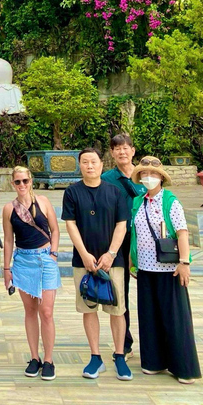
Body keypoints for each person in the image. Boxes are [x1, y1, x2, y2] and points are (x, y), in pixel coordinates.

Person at [62, 147, 132, 380]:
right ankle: (95, 357)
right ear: (79, 165)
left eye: (93, 161)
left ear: (102, 165)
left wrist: (111, 253)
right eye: (85, 162)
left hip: (114, 260)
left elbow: (121, 224)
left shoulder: (115, 192)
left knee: (117, 309)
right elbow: (70, 224)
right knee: (88, 308)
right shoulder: (72, 192)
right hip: (84, 260)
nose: (89, 166)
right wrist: (83, 254)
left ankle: (120, 355)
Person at [130, 156, 201, 384]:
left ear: (161, 177)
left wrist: (184, 262)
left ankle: (183, 367)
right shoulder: (138, 201)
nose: (148, 177)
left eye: (152, 174)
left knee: (175, 317)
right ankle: (154, 361)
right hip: (145, 268)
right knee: (149, 315)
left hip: (169, 268)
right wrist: (133, 261)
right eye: (143, 174)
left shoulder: (170, 201)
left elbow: (182, 233)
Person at [2, 166, 61, 381]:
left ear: (31, 181)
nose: (22, 185)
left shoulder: (43, 202)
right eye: (17, 182)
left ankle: (49, 359)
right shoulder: (9, 209)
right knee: (30, 310)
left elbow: (55, 229)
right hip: (23, 261)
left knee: (46, 311)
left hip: (45, 258)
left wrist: (53, 254)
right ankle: (34, 357)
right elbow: (8, 240)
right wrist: (6, 268)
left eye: (25, 181)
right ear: (13, 184)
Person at [102, 134, 145, 358]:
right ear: (111, 153)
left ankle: (152, 344)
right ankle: (125, 342)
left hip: (145, 241)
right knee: (121, 291)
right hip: (119, 240)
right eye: (117, 148)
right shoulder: (107, 178)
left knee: (149, 292)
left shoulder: (145, 176)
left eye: (125, 148)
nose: (122, 152)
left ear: (133, 151)